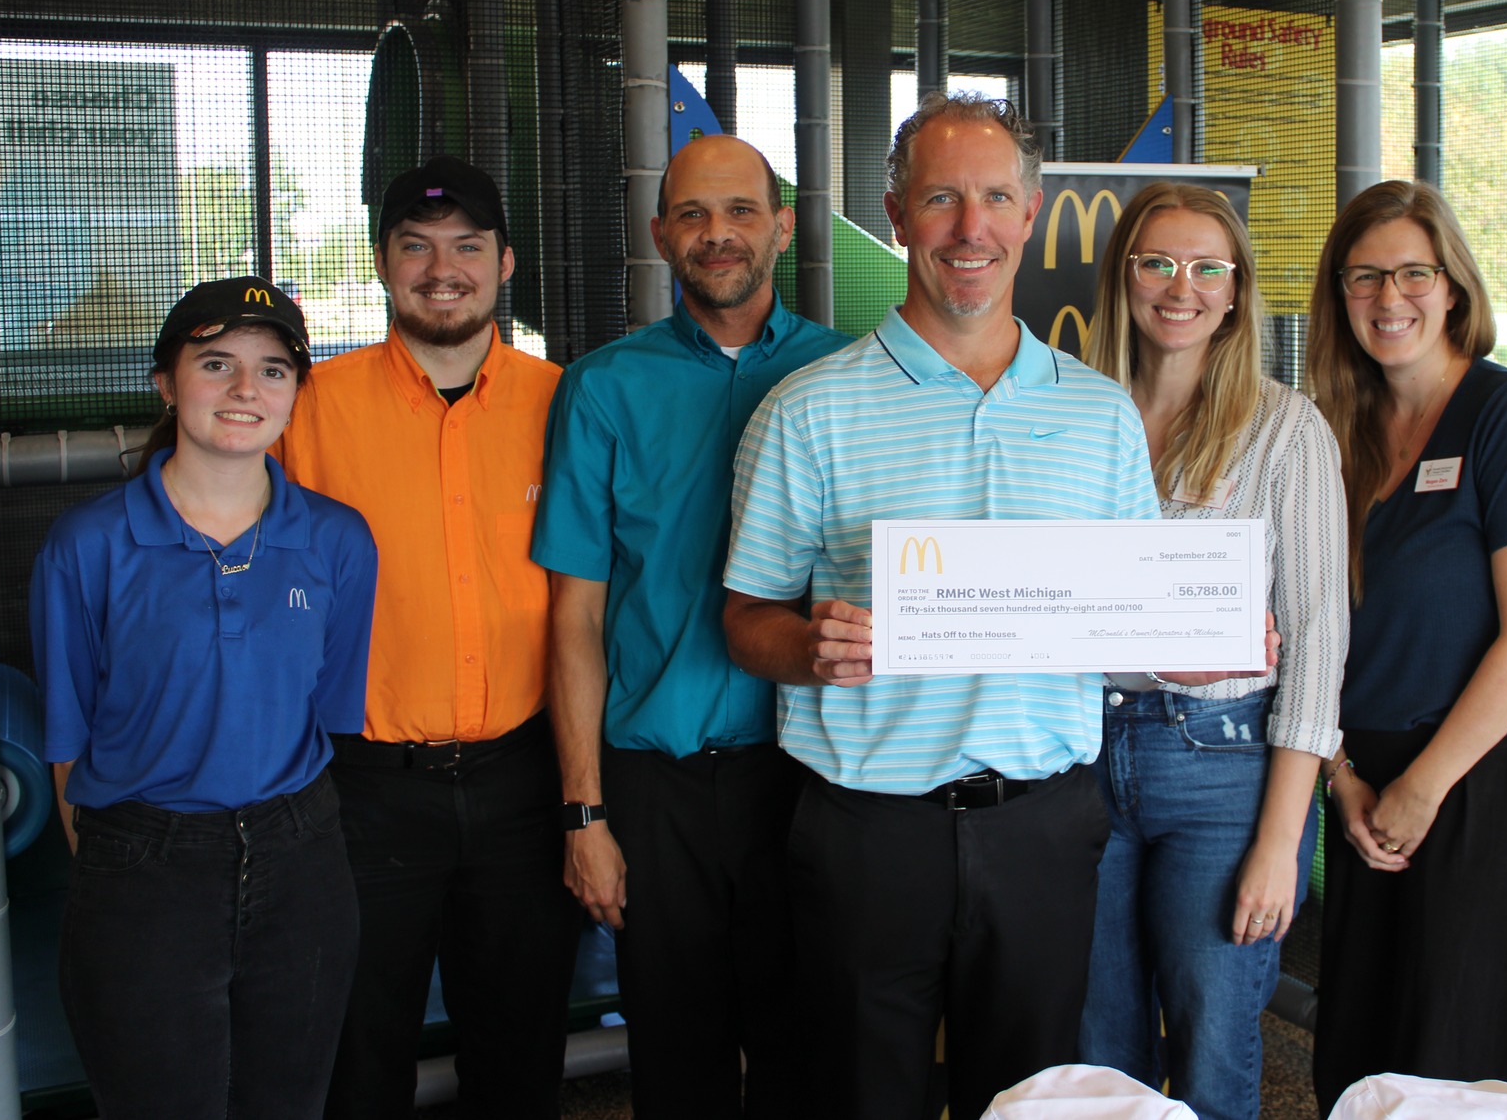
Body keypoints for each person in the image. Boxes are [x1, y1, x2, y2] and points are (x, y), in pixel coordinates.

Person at [718, 92, 1163, 1120]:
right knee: (856, 1097)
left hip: (1043, 826)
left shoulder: (1101, 415)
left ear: (1032, 212)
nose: (971, 228)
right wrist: (808, 647)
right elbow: (744, 619)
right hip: (866, 833)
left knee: (1031, 1101)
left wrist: (1190, 639)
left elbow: (1128, 619)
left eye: (996, 198)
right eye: (940, 199)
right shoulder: (807, 410)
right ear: (896, 214)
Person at [537, 134, 849, 1117]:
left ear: (783, 227)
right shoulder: (603, 387)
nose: (718, 233)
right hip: (656, 784)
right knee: (677, 1067)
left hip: (809, 778)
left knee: (810, 1059)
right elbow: (576, 613)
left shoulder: (847, 375)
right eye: (693, 214)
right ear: (660, 233)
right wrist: (584, 814)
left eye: (741, 210)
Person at [275, 155, 579, 1119]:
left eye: (467, 247)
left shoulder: (566, 402)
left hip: (525, 782)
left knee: (520, 1054)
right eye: (416, 246)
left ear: (506, 263)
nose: (442, 270)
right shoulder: (309, 407)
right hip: (363, 792)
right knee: (358, 1058)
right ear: (381, 262)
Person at [33, 277, 377, 1119]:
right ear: (166, 381)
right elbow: (69, 745)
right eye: (216, 363)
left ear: (295, 393)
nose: (244, 389)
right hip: (143, 864)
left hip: (300, 859)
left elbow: (330, 709)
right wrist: (139, 866)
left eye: (272, 370)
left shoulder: (338, 539)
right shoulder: (88, 544)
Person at [1303, 180, 1507, 1117]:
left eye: (1413, 273)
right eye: (1364, 277)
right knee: (1365, 1054)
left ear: (1455, 285)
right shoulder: (1336, 432)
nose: (1389, 297)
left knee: (1472, 1068)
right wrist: (1343, 777)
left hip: (1492, 780)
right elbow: (1311, 627)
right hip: (1369, 792)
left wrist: (1422, 788)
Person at [1076, 181, 1346, 1120]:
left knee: (1213, 1049)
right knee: (1096, 1056)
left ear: (1236, 292)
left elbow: (1318, 638)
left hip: (1223, 766)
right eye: (1156, 262)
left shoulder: (1286, 428)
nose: (1179, 286)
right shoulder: (1071, 416)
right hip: (1078, 756)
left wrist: (1281, 841)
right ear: (1124, 278)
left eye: (1206, 268)